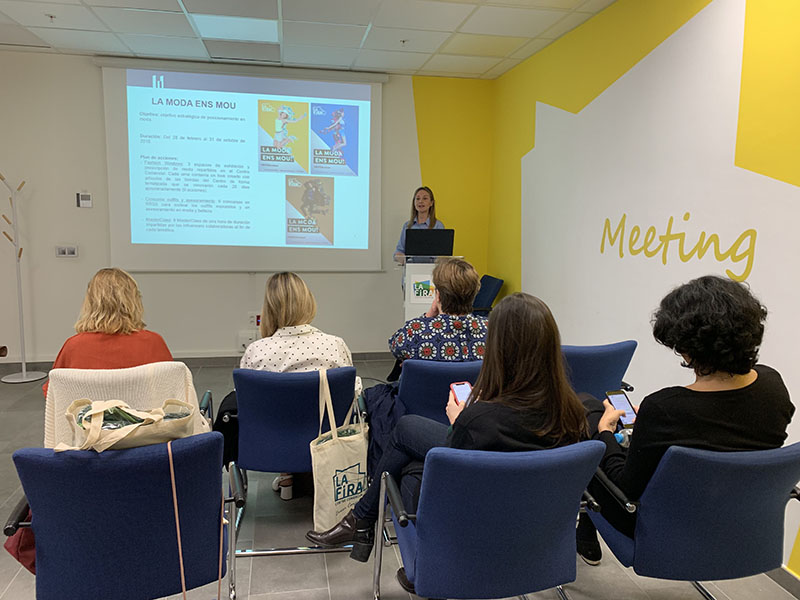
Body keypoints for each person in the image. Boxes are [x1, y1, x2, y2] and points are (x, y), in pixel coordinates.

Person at [306, 293, 588, 592]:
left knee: (410, 465)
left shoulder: (480, 420)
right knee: (408, 433)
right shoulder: (575, 412)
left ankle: (368, 524)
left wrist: (459, 420)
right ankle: (361, 520)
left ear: (499, 348)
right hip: (535, 532)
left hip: (475, 528)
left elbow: (456, 471)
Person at [577, 275, 795, 565]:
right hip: (735, 525)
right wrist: (650, 429)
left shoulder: (664, 409)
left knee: (586, 414)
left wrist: (605, 432)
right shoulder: (773, 386)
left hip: (656, 528)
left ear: (686, 347)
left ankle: (581, 534)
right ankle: (585, 535)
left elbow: (623, 489)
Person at [213, 272, 362, 499]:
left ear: (269, 309)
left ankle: (286, 476)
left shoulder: (257, 351)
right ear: (308, 301)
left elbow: (247, 401)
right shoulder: (334, 345)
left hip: (271, 443)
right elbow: (352, 394)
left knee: (279, 407)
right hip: (325, 438)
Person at [366, 258, 488, 474]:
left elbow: (395, 345)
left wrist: (428, 316)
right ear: (474, 294)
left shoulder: (416, 331)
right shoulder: (491, 331)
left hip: (416, 420)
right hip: (472, 421)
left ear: (438, 295)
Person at [43, 267, 173, 395]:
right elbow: (172, 389)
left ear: (91, 303)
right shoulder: (153, 343)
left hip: (91, 410)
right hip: (142, 409)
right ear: (134, 302)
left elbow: (52, 394)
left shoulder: (74, 346)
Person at [394, 186, 444, 261]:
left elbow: (442, 254)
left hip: (432, 268)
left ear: (431, 203)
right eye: (417, 198)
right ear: (414, 203)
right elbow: (399, 251)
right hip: (411, 267)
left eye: (425, 198)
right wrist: (402, 259)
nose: (420, 201)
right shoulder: (407, 226)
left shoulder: (438, 225)